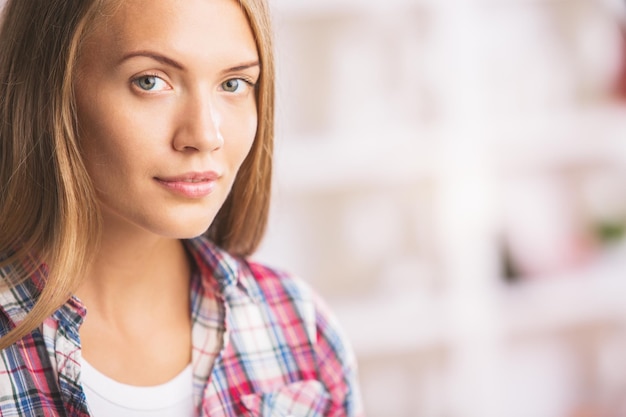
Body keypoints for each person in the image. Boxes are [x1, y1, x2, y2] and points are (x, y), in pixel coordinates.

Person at [0, 0, 363, 415]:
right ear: (49, 89)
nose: (205, 136)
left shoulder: (301, 329)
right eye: (151, 81)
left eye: (233, 84)